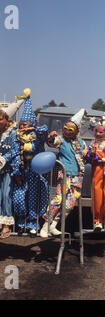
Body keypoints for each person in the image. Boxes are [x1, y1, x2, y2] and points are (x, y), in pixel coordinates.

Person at [40, 108, 88, 238]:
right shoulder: (61, 140)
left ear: (77, 131)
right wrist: (51, 137)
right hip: (65, 174)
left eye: (70, 130)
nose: (66, 131)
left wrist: (88, 153)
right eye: (65, 128)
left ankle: (53, 225)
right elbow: (52, 143)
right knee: (59, 199)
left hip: (77, 176)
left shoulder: (81, 143)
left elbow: (85, 155)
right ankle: (45, 226)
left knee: (69, 203)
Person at [12, 89, 49, 237]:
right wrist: (17, 172)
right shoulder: (17, 137)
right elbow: (15, 154)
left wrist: (33, 127)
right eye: (21, 125)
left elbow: (44, 131)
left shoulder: (37, 136)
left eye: (25, 124)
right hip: (22, 171)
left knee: (34, 197)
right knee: (19, 197)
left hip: (35, 172)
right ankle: (21, 223)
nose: (23, 127)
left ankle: (33, 224)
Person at [0, 96, 24, 239]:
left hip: (8, 170)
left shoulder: (13, 132)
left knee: (6, 195)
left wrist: (3, 158)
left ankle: (7, 224)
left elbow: (15, 149)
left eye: (0, 119)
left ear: (7, 120)